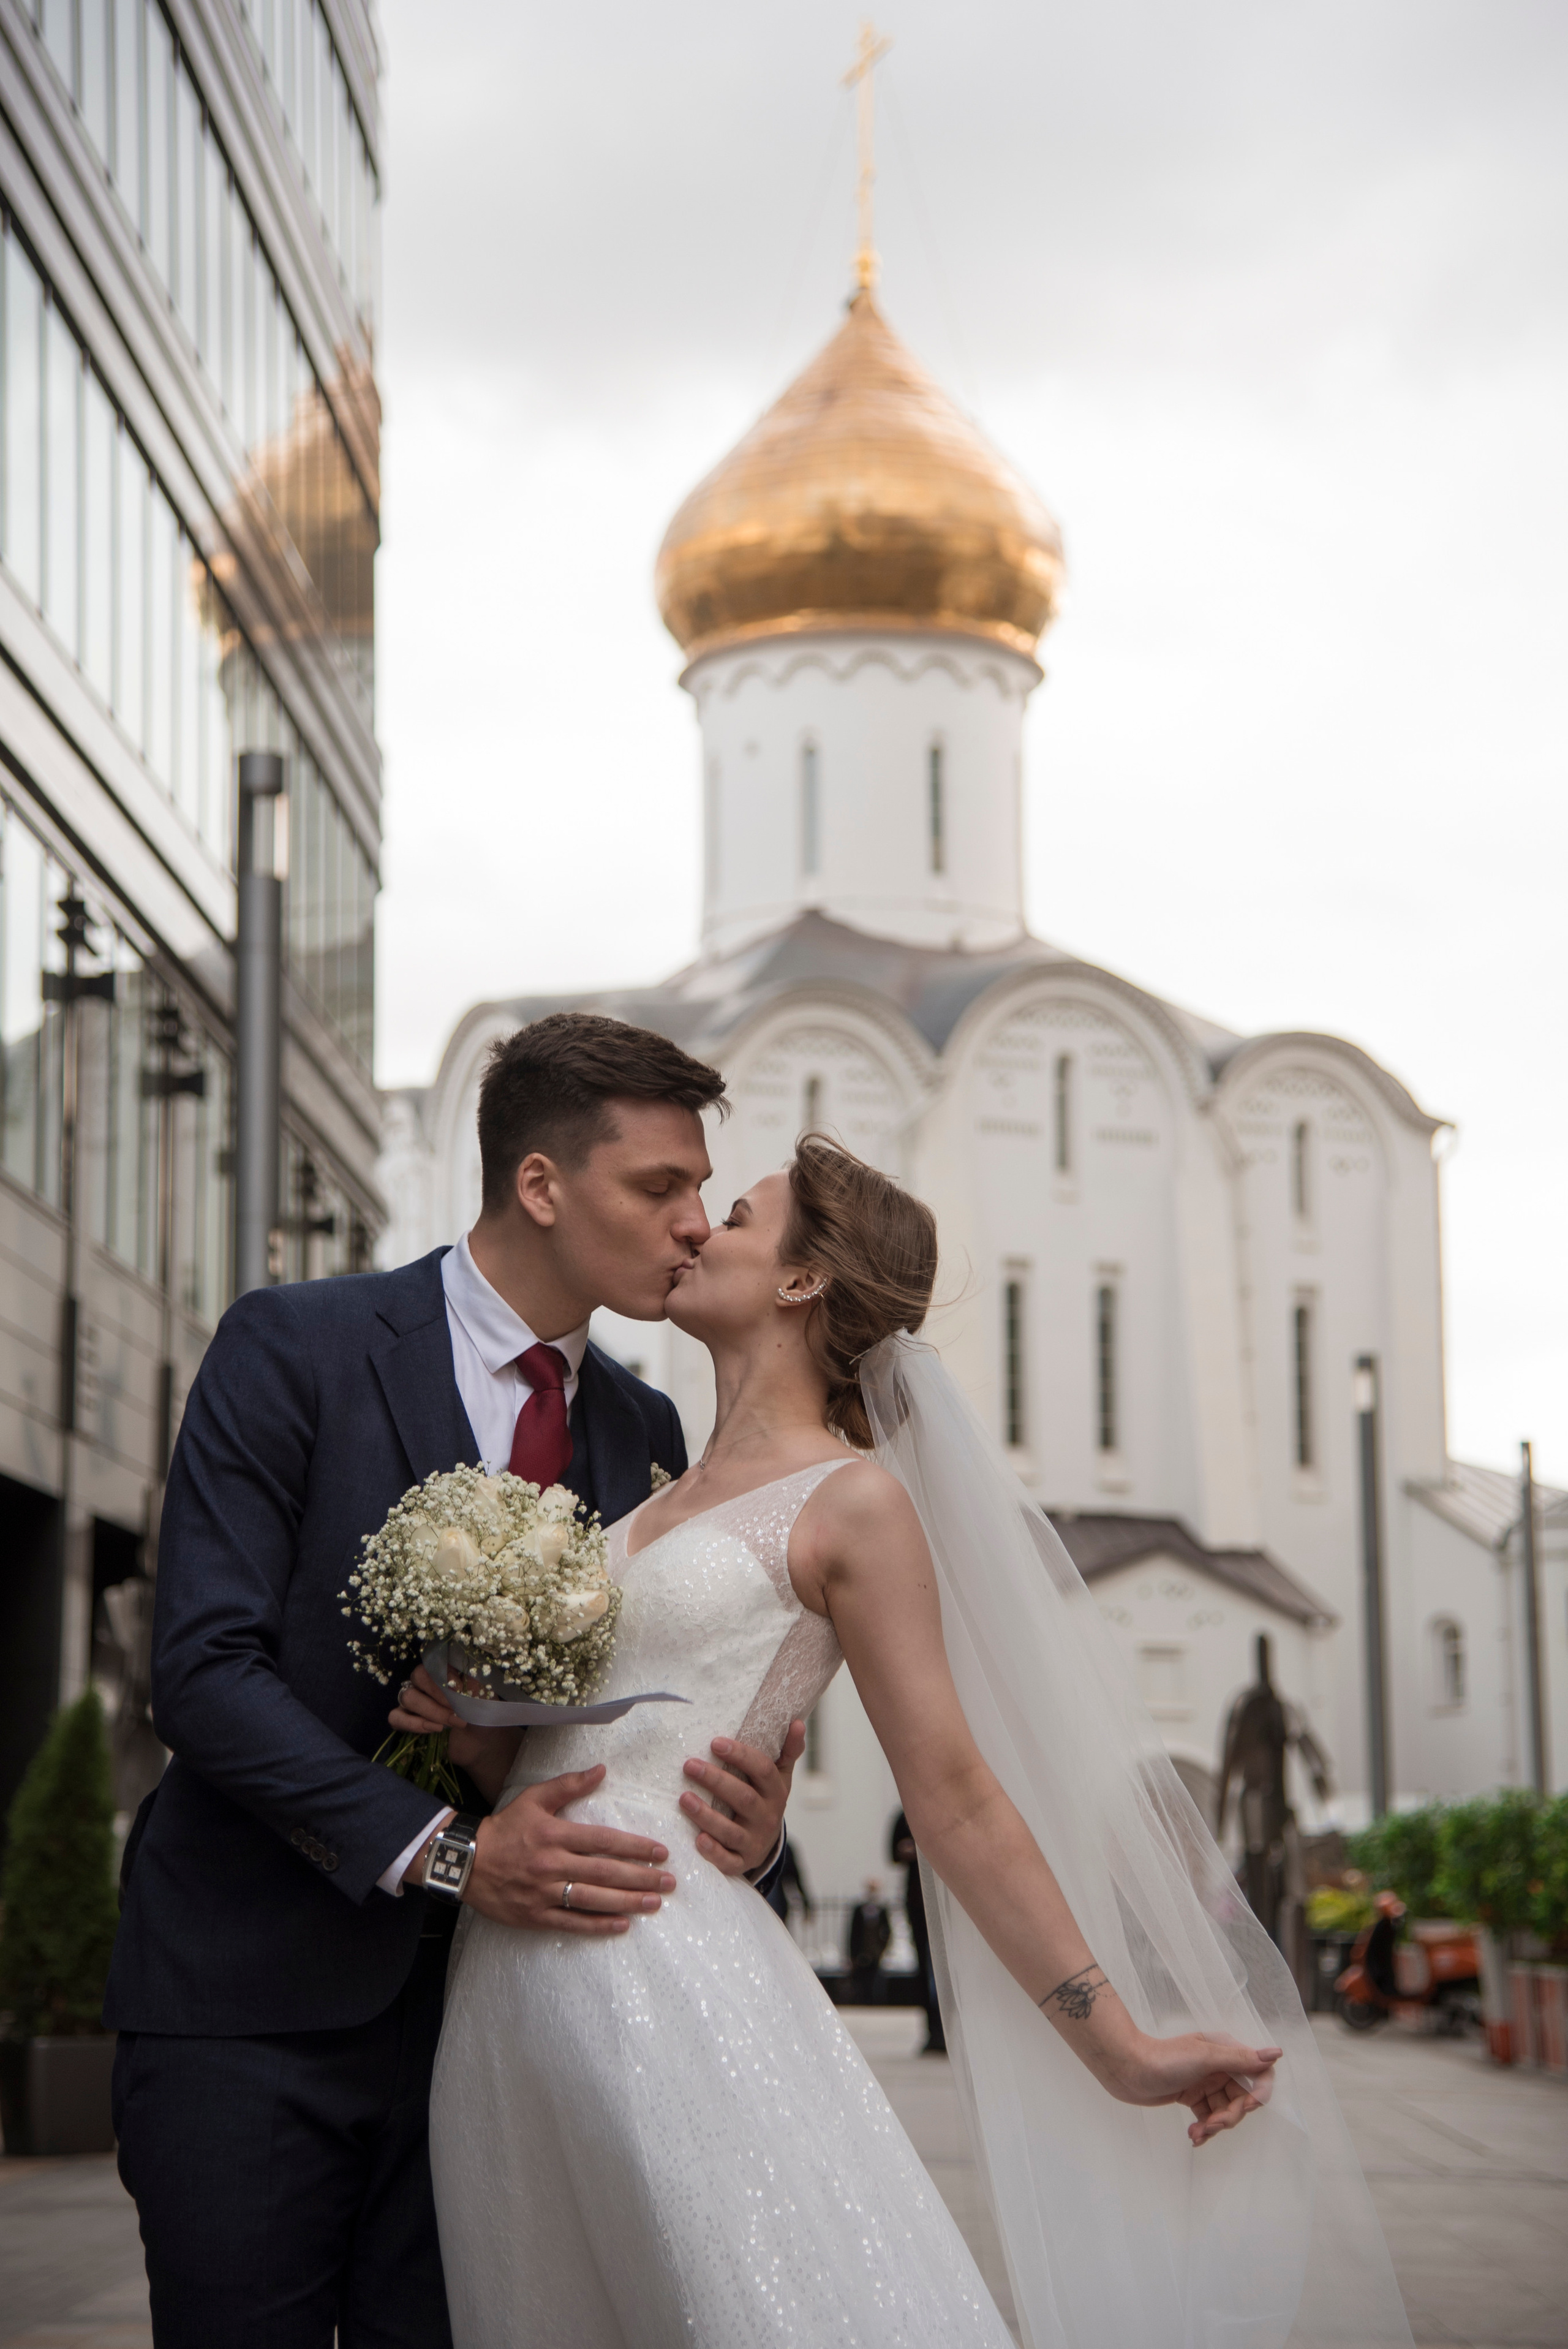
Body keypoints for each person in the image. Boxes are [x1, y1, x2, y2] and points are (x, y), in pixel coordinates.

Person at [411, 1138, 1410, 2348]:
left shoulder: (855, 1503)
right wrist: (468, 1725)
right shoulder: (650, 1491)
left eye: (735, 1215)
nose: (697, 1229)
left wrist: (1120, 2047)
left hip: (661, 1970)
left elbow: (958, 1798)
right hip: (506, 1975)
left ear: (801, 1280)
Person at [104, 1014, 801, 2349]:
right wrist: (446, 1852)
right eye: (660, 1185)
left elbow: (654, 1711)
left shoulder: (646, 1430)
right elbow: (201, 1670)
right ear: (540, 1184)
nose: (694, 1224)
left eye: (704, 1190)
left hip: (503, 2033)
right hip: (250, 2004)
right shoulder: (293, 1345)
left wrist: (743, 1826)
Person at [891, 1807, 946, 2053]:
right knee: (924, 1968)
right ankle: (933, 2031)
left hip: (942, 1901)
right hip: (917, 1901)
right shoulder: (903, 1817)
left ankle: (948, 2030)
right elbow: (893, 1853)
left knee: (945, 1968)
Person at [848, 1875, 892, 2003]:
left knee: (875, 1976)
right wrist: (852, 1954)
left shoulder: (882, 1910)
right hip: (861, 1950)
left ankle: (874, 1999)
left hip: (875, 1950)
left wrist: (882, 1946)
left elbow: (887, 1930)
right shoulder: (859, 1909)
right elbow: (853, 1932)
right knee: (861, 1977)